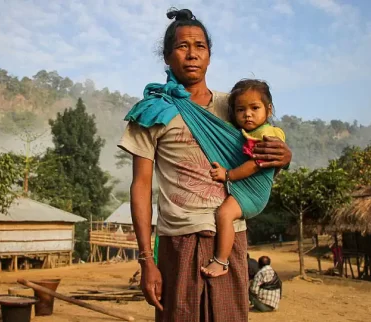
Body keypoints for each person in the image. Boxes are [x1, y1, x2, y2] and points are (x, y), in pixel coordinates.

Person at [118, 8, 292, 321]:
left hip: (230, 239)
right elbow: (140, 185)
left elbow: (267, 149)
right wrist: (146, 259)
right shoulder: (151, 112)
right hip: (178, 241)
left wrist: (286, 156)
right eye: (182, 47)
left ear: (209, 56)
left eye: (200, 46)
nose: (192, 54)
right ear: (167, 57)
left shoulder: (236, 106)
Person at [201, 79, 285, 277]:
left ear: (269, 109)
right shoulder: (246, 132)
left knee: (224, 215)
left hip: (252, 192)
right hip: (243, 187)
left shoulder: (267, 134)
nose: (247, 114)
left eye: (255, 108)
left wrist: (227, 174)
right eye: (240, 110)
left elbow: (256, 164)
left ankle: (221, 261)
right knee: (223, 215)